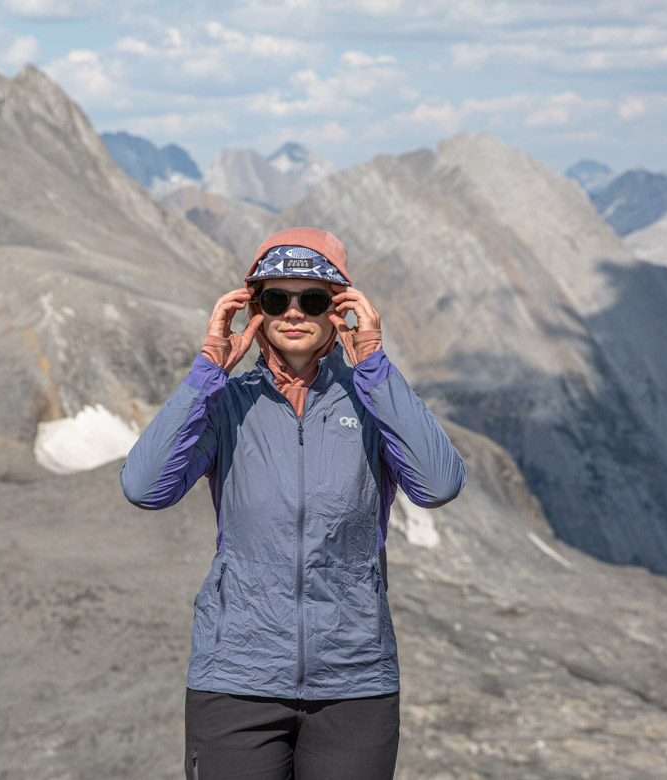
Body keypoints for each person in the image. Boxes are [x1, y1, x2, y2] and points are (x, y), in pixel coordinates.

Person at [121, 227, 466, 779]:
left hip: (354, 683)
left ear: (341, 308)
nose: (294, 312)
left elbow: (439, 484)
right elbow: (145, 487)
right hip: (235, 679)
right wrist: (208, 371)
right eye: (276, 299)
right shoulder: (226, 403)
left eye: (315, 298)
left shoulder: (371, 397)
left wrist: (374, 366)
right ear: (254, 309)